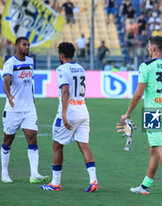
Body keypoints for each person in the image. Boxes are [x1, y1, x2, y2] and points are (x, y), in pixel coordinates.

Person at [120, 36, 162, 198]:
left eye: (149, 47)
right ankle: (145, 186)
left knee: (160, 149)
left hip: (152, 113)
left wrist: (127, 113)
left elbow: (139, 93)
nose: (148, 49)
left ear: (154, 48)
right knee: (154, 150)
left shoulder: (146, 67)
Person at [40, 42, 98, 192]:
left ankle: (55, 183)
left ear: (61, 55)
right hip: (83, 111)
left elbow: (65, 91)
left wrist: (64, 115)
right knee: (83, 145)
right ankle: (93, 181)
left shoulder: (61, 69)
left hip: (70, 112)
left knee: (57, 145)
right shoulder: (81, 68)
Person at [1, 37, 49, 184]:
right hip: (13, 109)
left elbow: (30, 83)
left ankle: (34, 174)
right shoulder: (11, 63)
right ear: (17, 46)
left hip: (29, 109)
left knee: (32, 138)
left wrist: (32, 99)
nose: (27, 47)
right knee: (8, 140)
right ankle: (4, 173)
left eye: (28, 45)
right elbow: (6, 81)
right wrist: (9, 95)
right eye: (24, 45)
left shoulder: (30, 61)